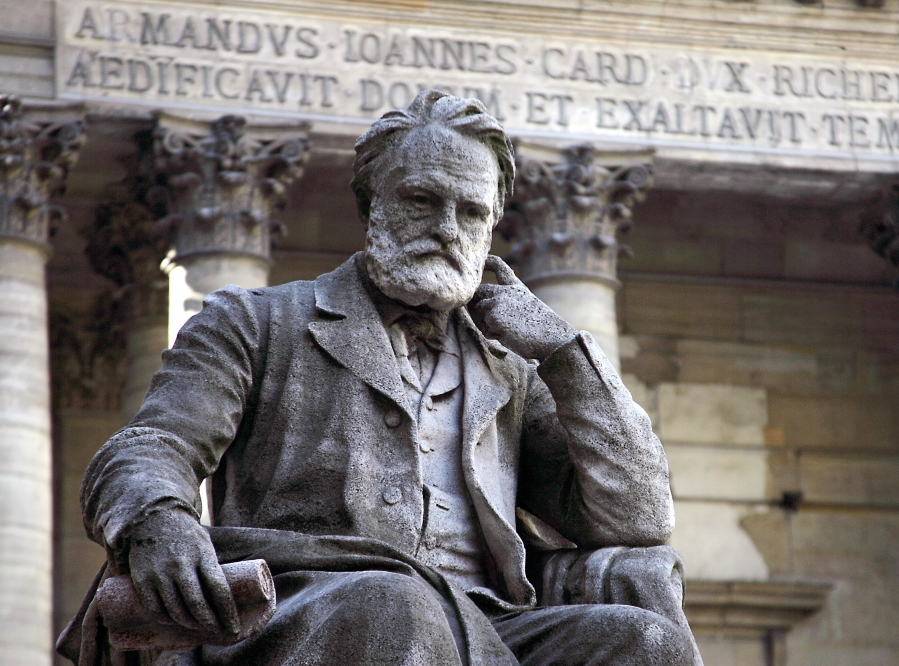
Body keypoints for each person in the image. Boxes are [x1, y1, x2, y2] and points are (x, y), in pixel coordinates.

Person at [59, 90, 702, 666]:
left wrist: (565, 352)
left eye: (471, 212)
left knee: (647, 642)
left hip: (488, 623)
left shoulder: (508, 369)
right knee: (398, 602)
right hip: (304, 606)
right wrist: (159, 519)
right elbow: (153, 446)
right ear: (372, 204)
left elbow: (636, 519)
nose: (447, 228)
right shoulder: (256, 322)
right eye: (423, 200)